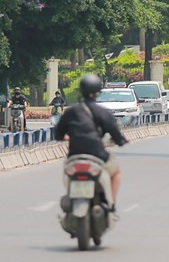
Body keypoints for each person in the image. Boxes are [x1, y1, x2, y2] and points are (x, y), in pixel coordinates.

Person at [55, 74, 129, 206]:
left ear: (81, 90)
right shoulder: (103, 112)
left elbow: (58, 134)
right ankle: (110, 203)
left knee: (66, 170)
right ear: (98, 92)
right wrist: (121, 141)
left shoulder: (71, 112)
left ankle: (70, 196)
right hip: (97, 155)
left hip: (74, 156)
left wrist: (68, 136)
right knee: (116, 172)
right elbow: (116, 134)